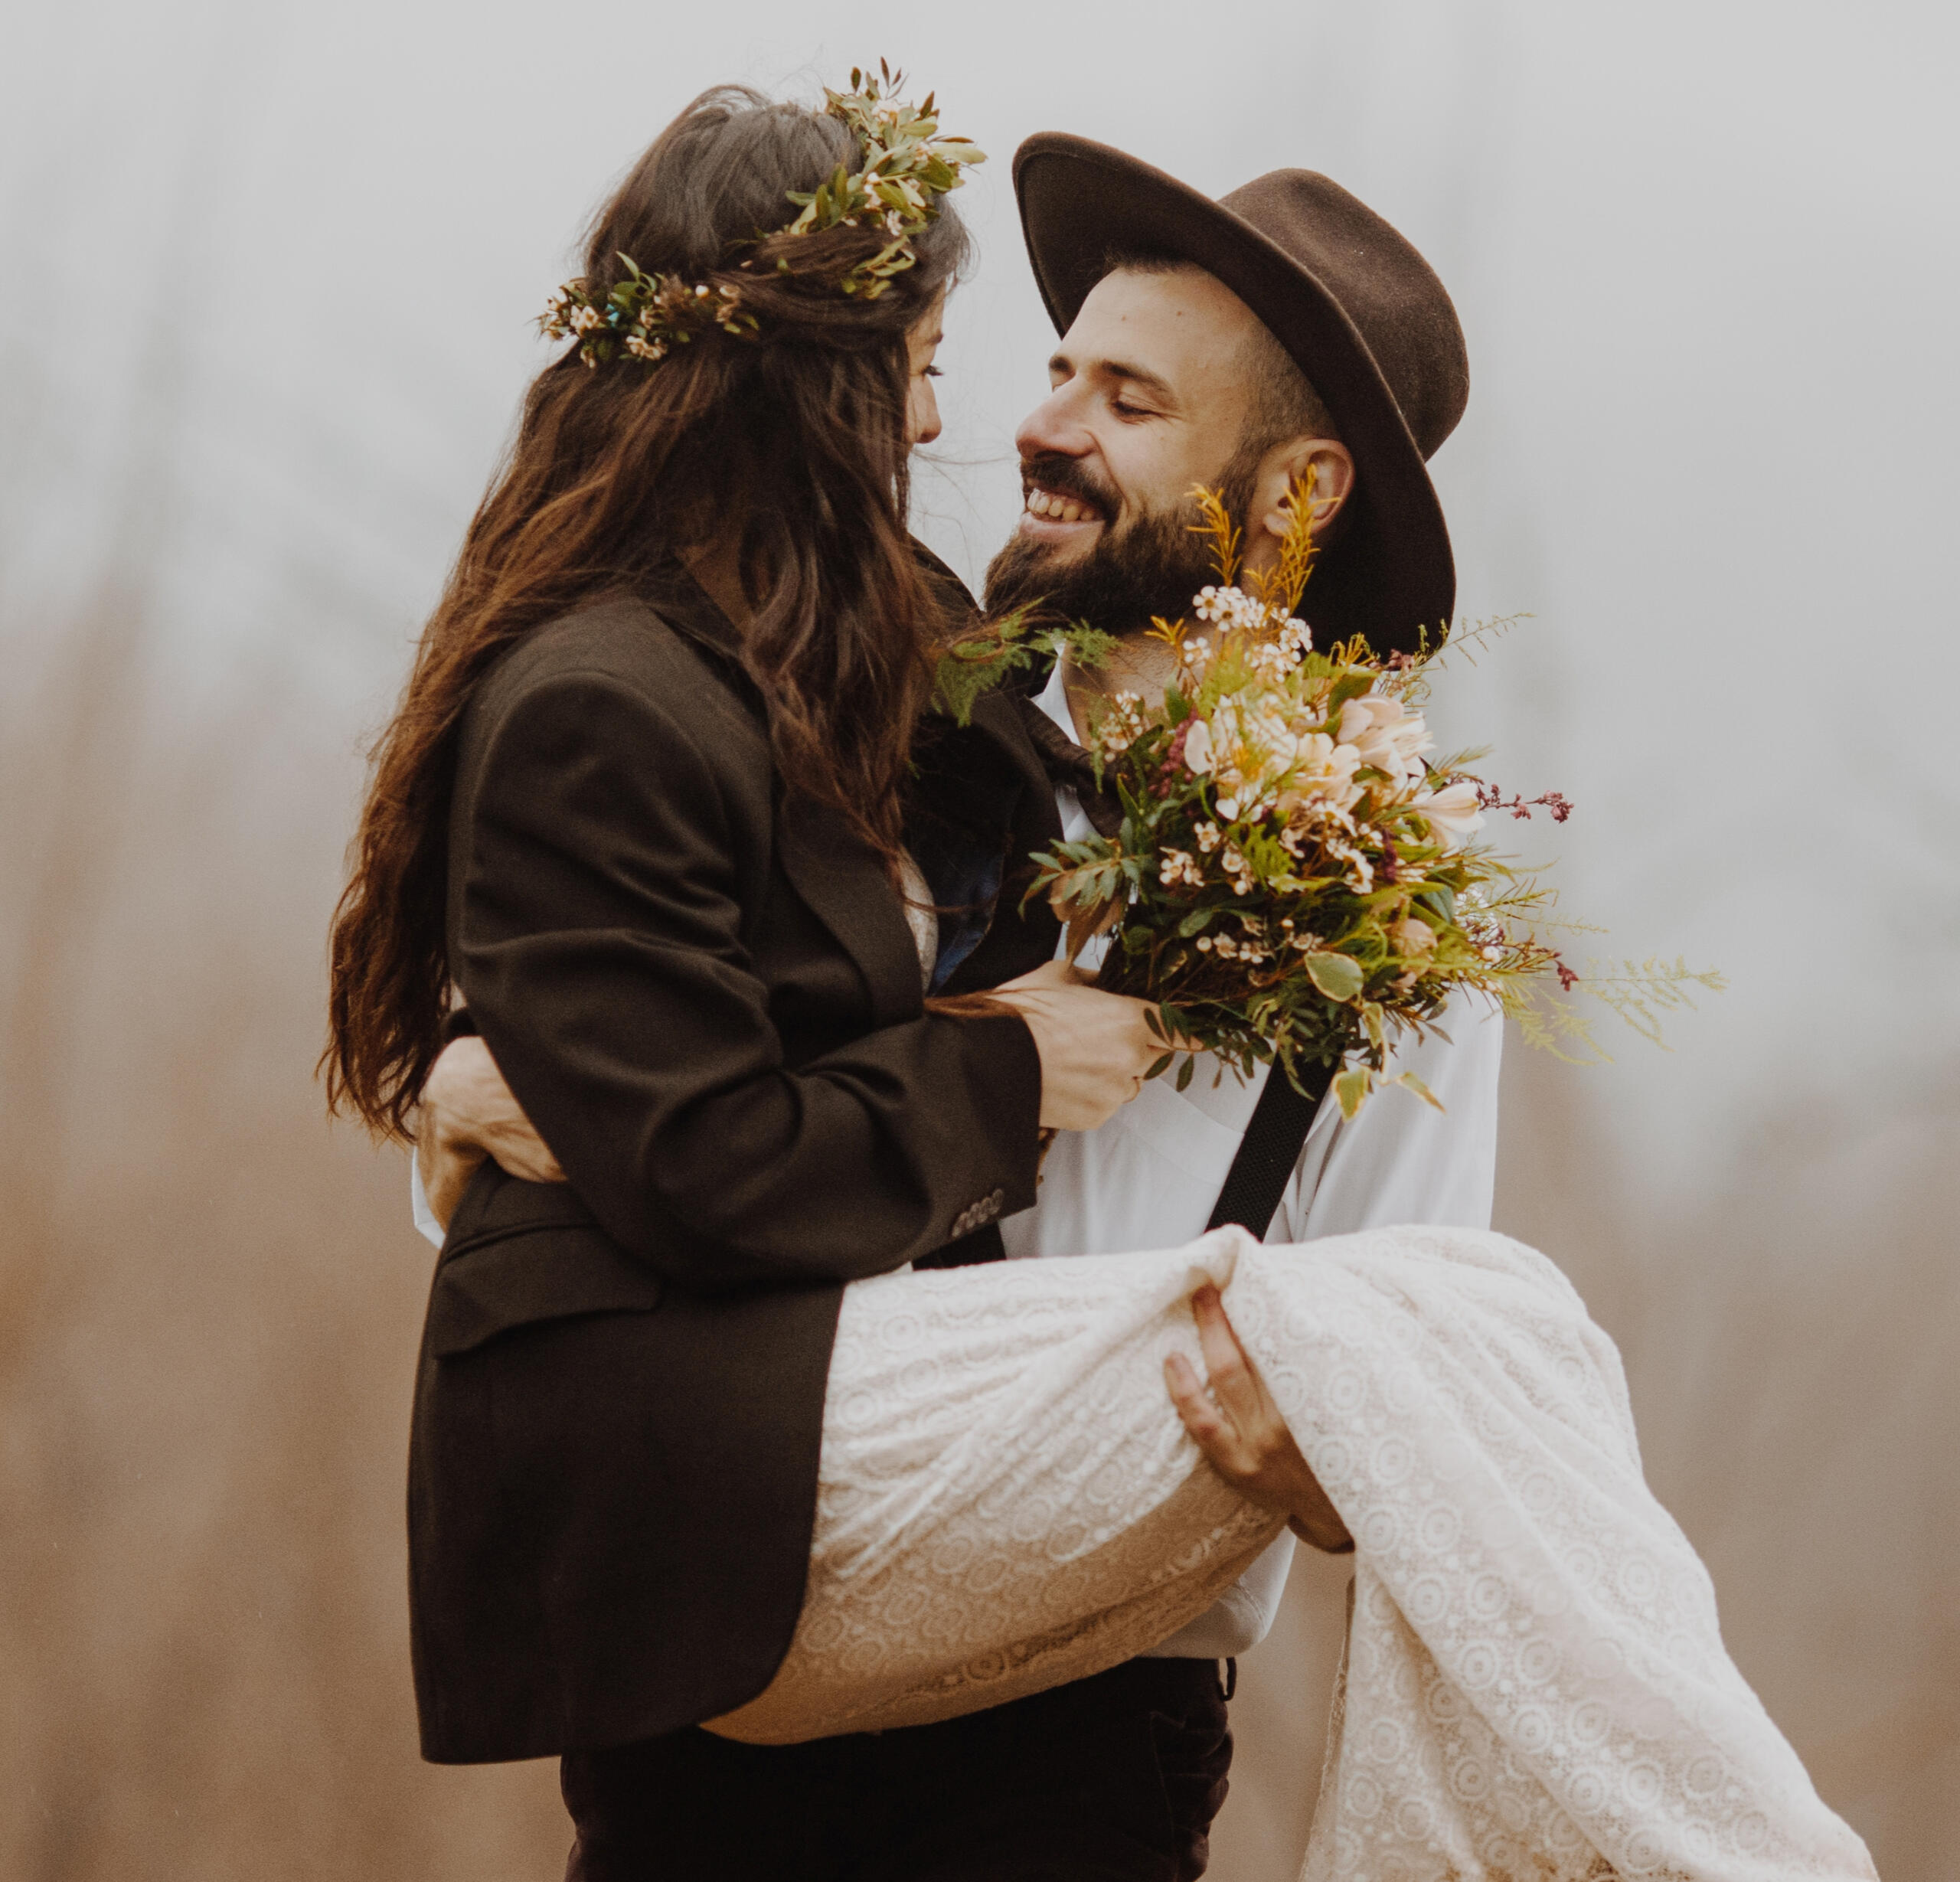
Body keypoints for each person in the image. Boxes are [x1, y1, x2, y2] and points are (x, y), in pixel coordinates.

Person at [418, 132, 1499, 1878]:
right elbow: (665, 1092)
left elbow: (1411, 1388)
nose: (1035, 423)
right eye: (1056, 367)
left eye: (1127, 400)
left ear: (1296, 495)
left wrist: (1323, 1448)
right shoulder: (858, 714)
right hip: (728, 1666)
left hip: (1085, 1730)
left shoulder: (1400, 918)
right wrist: (490, 1100)